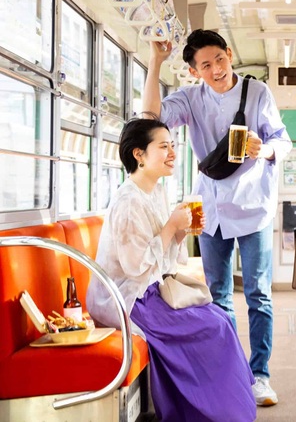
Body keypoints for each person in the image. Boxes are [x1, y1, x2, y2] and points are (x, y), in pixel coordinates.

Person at [142, 29, 292, 406]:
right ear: (194, 71)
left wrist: (266, 151)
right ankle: (232, 371)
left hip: (254, 207)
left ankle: (260, 374)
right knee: (219, 296)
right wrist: (156, 61)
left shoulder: (257, 93)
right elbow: (150, 117)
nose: (215, 69)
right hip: (209, 211)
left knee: (259, 295)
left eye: (219, 59)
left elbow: (283, 140)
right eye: (205, 65)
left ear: (229, 53)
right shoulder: (191, 99)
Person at [86, 116, 256, 422]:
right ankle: (207, 412)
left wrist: (180, 232)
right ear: (139, 154)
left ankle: (219, 408)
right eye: (163, 146)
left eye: (173, 145)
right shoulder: (128, 202)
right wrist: (170, 228)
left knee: (219, 317)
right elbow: (136, 267)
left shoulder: (158, 193)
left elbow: (162, 263)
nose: (172, 153)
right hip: (127, 298)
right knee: (213, 327)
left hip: (150, 288)